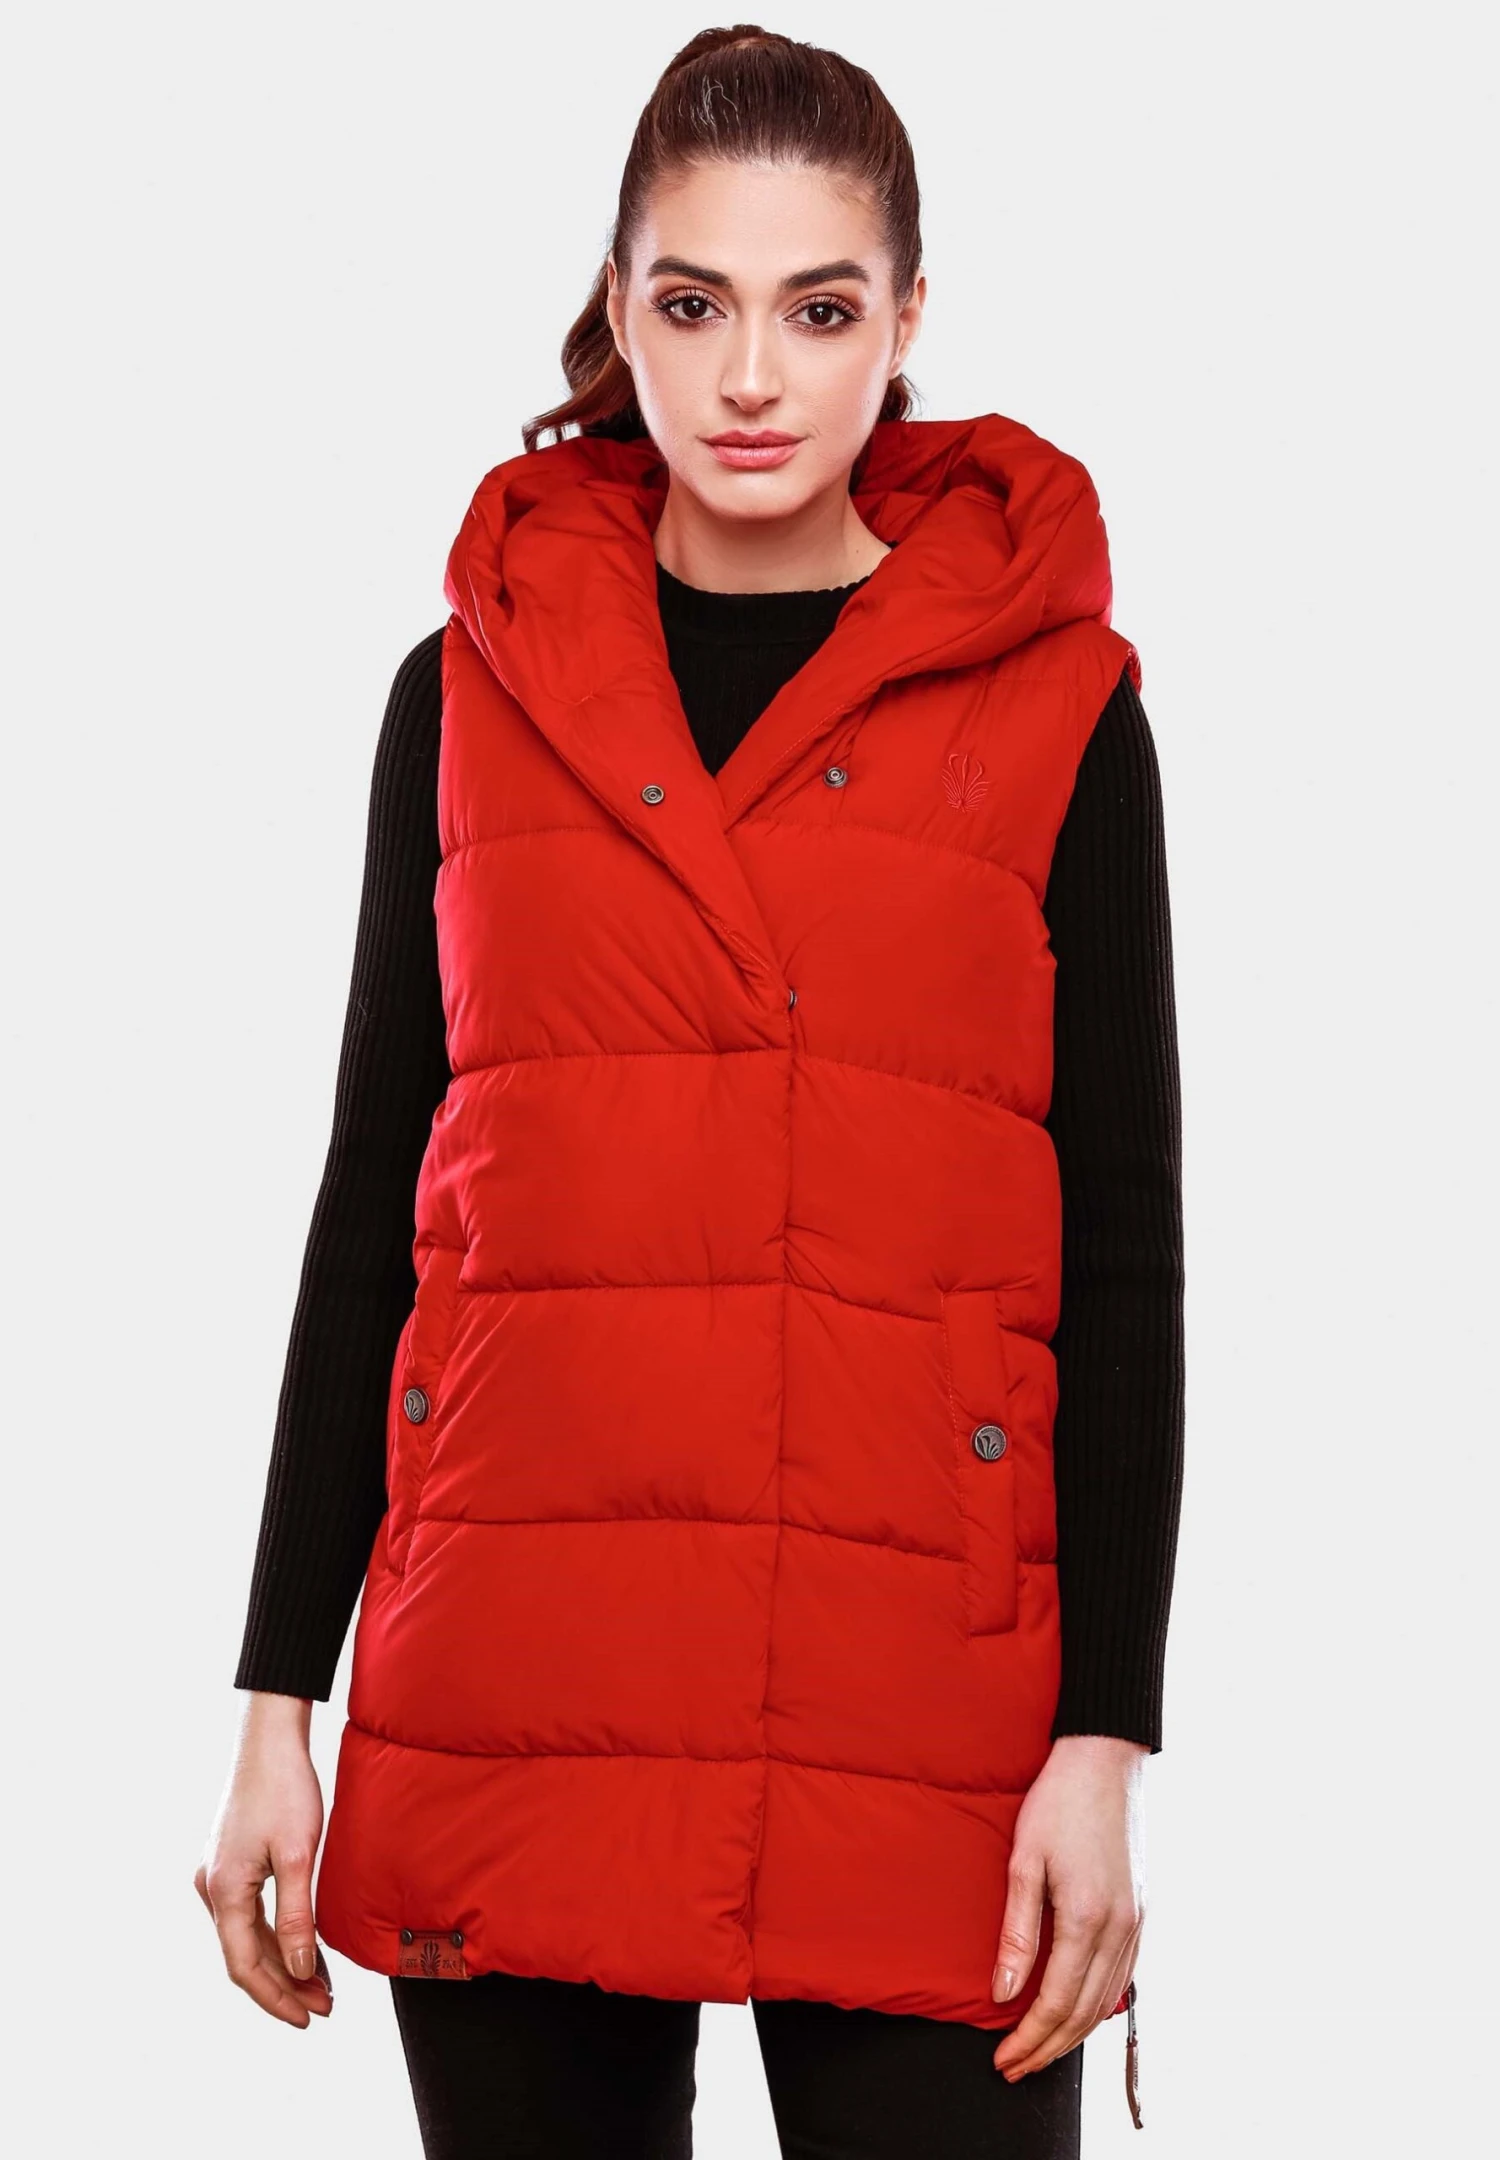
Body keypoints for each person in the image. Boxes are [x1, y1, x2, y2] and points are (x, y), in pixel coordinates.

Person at [196, 24, 1184, 2158]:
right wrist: (279, 1695)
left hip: (917, 1684)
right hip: (519, 1659)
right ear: (619, 310)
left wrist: (1108, 1735)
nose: (752, 377)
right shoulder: (464, 693)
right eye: (693, 302)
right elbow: (377, 1205)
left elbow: (1123, 1245)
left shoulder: (1057, 709)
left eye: (818, 310)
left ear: (904, 322)